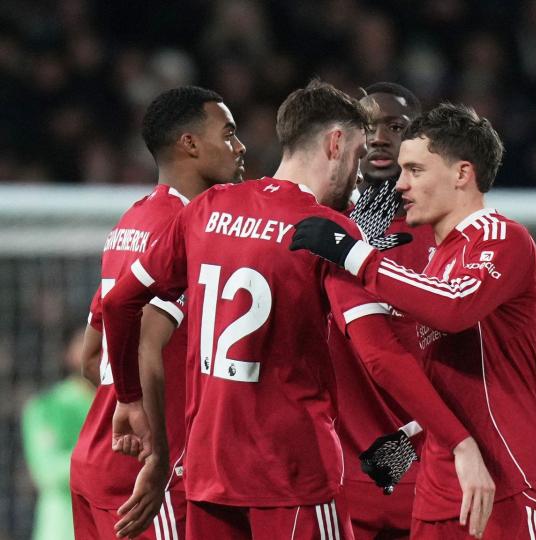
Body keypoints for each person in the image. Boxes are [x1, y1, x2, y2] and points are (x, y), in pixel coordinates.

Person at [102, 80, 495, 540]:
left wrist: (128, 397)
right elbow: (380, 355)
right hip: (294, 472)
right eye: (358, 151)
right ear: (335, 144)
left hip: (213, 472)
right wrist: (461, 442)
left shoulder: (209, 208)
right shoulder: (331, 234)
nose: (361, 169)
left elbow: (117, 302)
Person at [290, 102, 536, 539]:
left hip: (510, 480)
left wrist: (356, 255)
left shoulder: (503, 238)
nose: (400, 185)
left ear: (462, 174)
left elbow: (454, 309)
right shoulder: (436, 264)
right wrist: (409, 443)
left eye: (416, 170)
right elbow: (447, 379)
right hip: (441, 487)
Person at [70, 85, 246, 540]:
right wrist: (158, 444)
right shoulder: (189, 230)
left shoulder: (131, 220)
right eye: (228, 133)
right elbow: (148, 340)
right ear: (189, 143)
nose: (240, 146)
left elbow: (91, 357)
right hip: (149, 475)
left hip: (95, 458)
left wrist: (123, 402)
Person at [332, 82, 429, 540]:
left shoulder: (438, 233)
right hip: (335, 470)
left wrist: (393, 461)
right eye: (368, 126)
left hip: (417, 471)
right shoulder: (324, 228)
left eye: (396, 126)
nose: (380, 138)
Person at [21, 328, 95, 540]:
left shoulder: (128, 405)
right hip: (63, 530)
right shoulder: (45, 407)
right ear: (68, 352)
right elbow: (47, 471)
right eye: (86, 340)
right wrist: (106, 455)